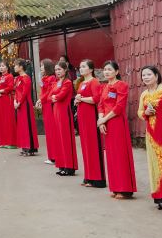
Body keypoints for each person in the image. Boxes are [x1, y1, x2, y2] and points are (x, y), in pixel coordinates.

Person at [97, 61, 135, 199]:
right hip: (106, 122)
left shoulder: (122, 85)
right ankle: (115, 186)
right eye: (105, 69)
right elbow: (100, 105)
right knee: (111, 155)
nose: (106, 72)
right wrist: (101, 121)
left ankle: (124, 188)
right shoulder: (104, 87)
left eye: (109, 69)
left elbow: (119, 107)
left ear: (117, 72)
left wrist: (104, 119)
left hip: (117, 122)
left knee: (120, 154)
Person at [137, 66, 162, 210]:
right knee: (155, 164)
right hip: (152, 134)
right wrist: (145, 112)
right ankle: (160, 197)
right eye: (143, 75)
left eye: (149, 74)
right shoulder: (144, 94)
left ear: (157, 76)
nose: (145, 77)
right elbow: (139, 112)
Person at [74, 59, 105, 188]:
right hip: (82, 117)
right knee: (86, 146)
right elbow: (81, 97)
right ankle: (88, 176)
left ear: (91, 69)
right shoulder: (81, 83)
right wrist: (77, 101)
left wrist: (81, 99)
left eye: (84, 67)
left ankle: (97, 178)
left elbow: (96, 99)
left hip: (91, 117)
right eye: (80, 67)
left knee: (93, 146)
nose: (81, 69)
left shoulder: (94, 82)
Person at [49, 61, 77, 176]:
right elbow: (51, 95)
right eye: (56, 70)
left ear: (65, 70)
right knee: (58, 138)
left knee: (65, 138)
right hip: (56, 111)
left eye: (60, 69)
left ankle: (69, 166)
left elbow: (61, 95)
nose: (57, 72)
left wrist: (55, 96)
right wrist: (54, 96)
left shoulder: (67, 82)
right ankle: (62, 165)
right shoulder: (56, 82)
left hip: (64, 112)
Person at [13, 59, 39, 156]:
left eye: (16, 65)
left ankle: (30, 147)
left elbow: (25, 92)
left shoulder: (26, 78)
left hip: (25, 104)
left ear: (21, 67)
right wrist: (15, 101)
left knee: (27, 125)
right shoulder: (18, 78)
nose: (14, 67)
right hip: (19, 104)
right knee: (22, 126)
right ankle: (24, 145)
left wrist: (19, 102)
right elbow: (16, 91)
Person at [0, 63, 16, 147]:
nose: (1, 68)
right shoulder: (0, 77)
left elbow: (10, 87)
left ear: (7, 68)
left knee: (8, 120)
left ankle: (11, 142)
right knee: (2, 120)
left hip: (7, 100)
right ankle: (4, 141)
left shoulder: (9, 76)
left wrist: (1, 91)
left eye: (3, 66)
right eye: (0, 66)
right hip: (0, 100)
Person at [39, 59, 56, 163]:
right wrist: (40, 100)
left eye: (42, 66)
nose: (41, 68)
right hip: (45, 104)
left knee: (51, 130)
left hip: (50, 105)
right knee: (48, 131)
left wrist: (41, 99)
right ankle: (51, 155)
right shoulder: (44, 78)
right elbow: (43, 92)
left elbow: (50, 92)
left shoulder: (52, 78)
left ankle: (54, 156)